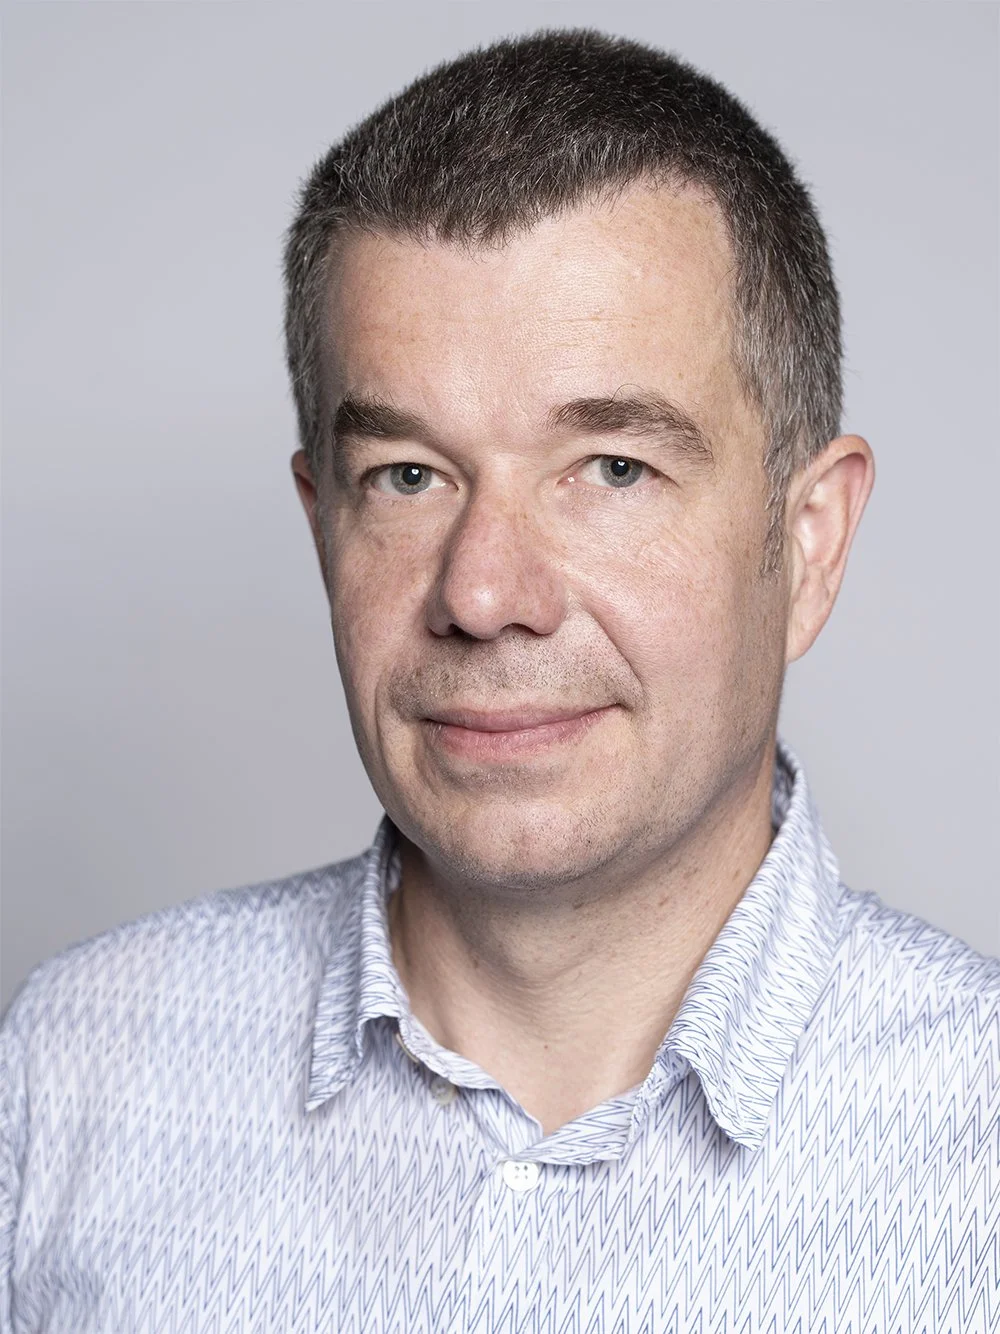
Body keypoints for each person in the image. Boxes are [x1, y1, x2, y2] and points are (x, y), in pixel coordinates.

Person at [2, 26, 997, 1333]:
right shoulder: (67, 1076)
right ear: (322, 527)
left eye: (612, 470)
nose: (482, 593)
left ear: (808, 544)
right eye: (407, 476)